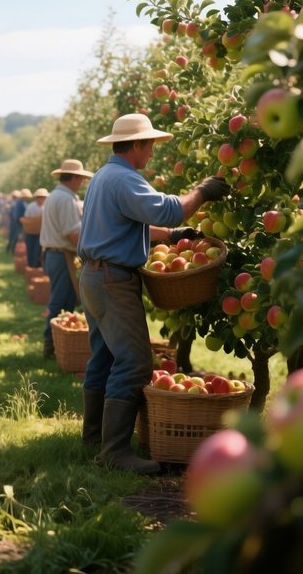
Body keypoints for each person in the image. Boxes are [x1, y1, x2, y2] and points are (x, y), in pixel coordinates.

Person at [77, 113, 230, 475]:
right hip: (114, 280)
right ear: (137, 145)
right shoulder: (126, 179)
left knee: (104, 357)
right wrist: (203, 192)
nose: (152, 154)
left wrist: (171, 237)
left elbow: (128, 222)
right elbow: (170, 208)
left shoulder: (104, 176)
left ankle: (93, 439)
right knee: (134, 363)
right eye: (150, 146)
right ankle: (114, 452)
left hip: (94, 276)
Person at [39, 160, 94, 358]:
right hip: (61, 255)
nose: (82, 183)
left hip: (53, 254)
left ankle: (55, 344)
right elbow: (72, 233)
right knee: (61, 302)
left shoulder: (55, 196)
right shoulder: (66, 200)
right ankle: (52, 344)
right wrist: (93, 246)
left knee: (62, 299)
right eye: (81, 179)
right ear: (75, 178)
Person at [22, 187, 48, 268]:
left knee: (38, 250)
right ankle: (30, 266)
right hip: (30, 232)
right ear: (36, 198)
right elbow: (26, 218)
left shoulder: (46, 207)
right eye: (40, 197)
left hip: (41, 233)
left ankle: (37, 266)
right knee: (30, 248)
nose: (41, 199)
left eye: (43, 198)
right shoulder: (31, 207)